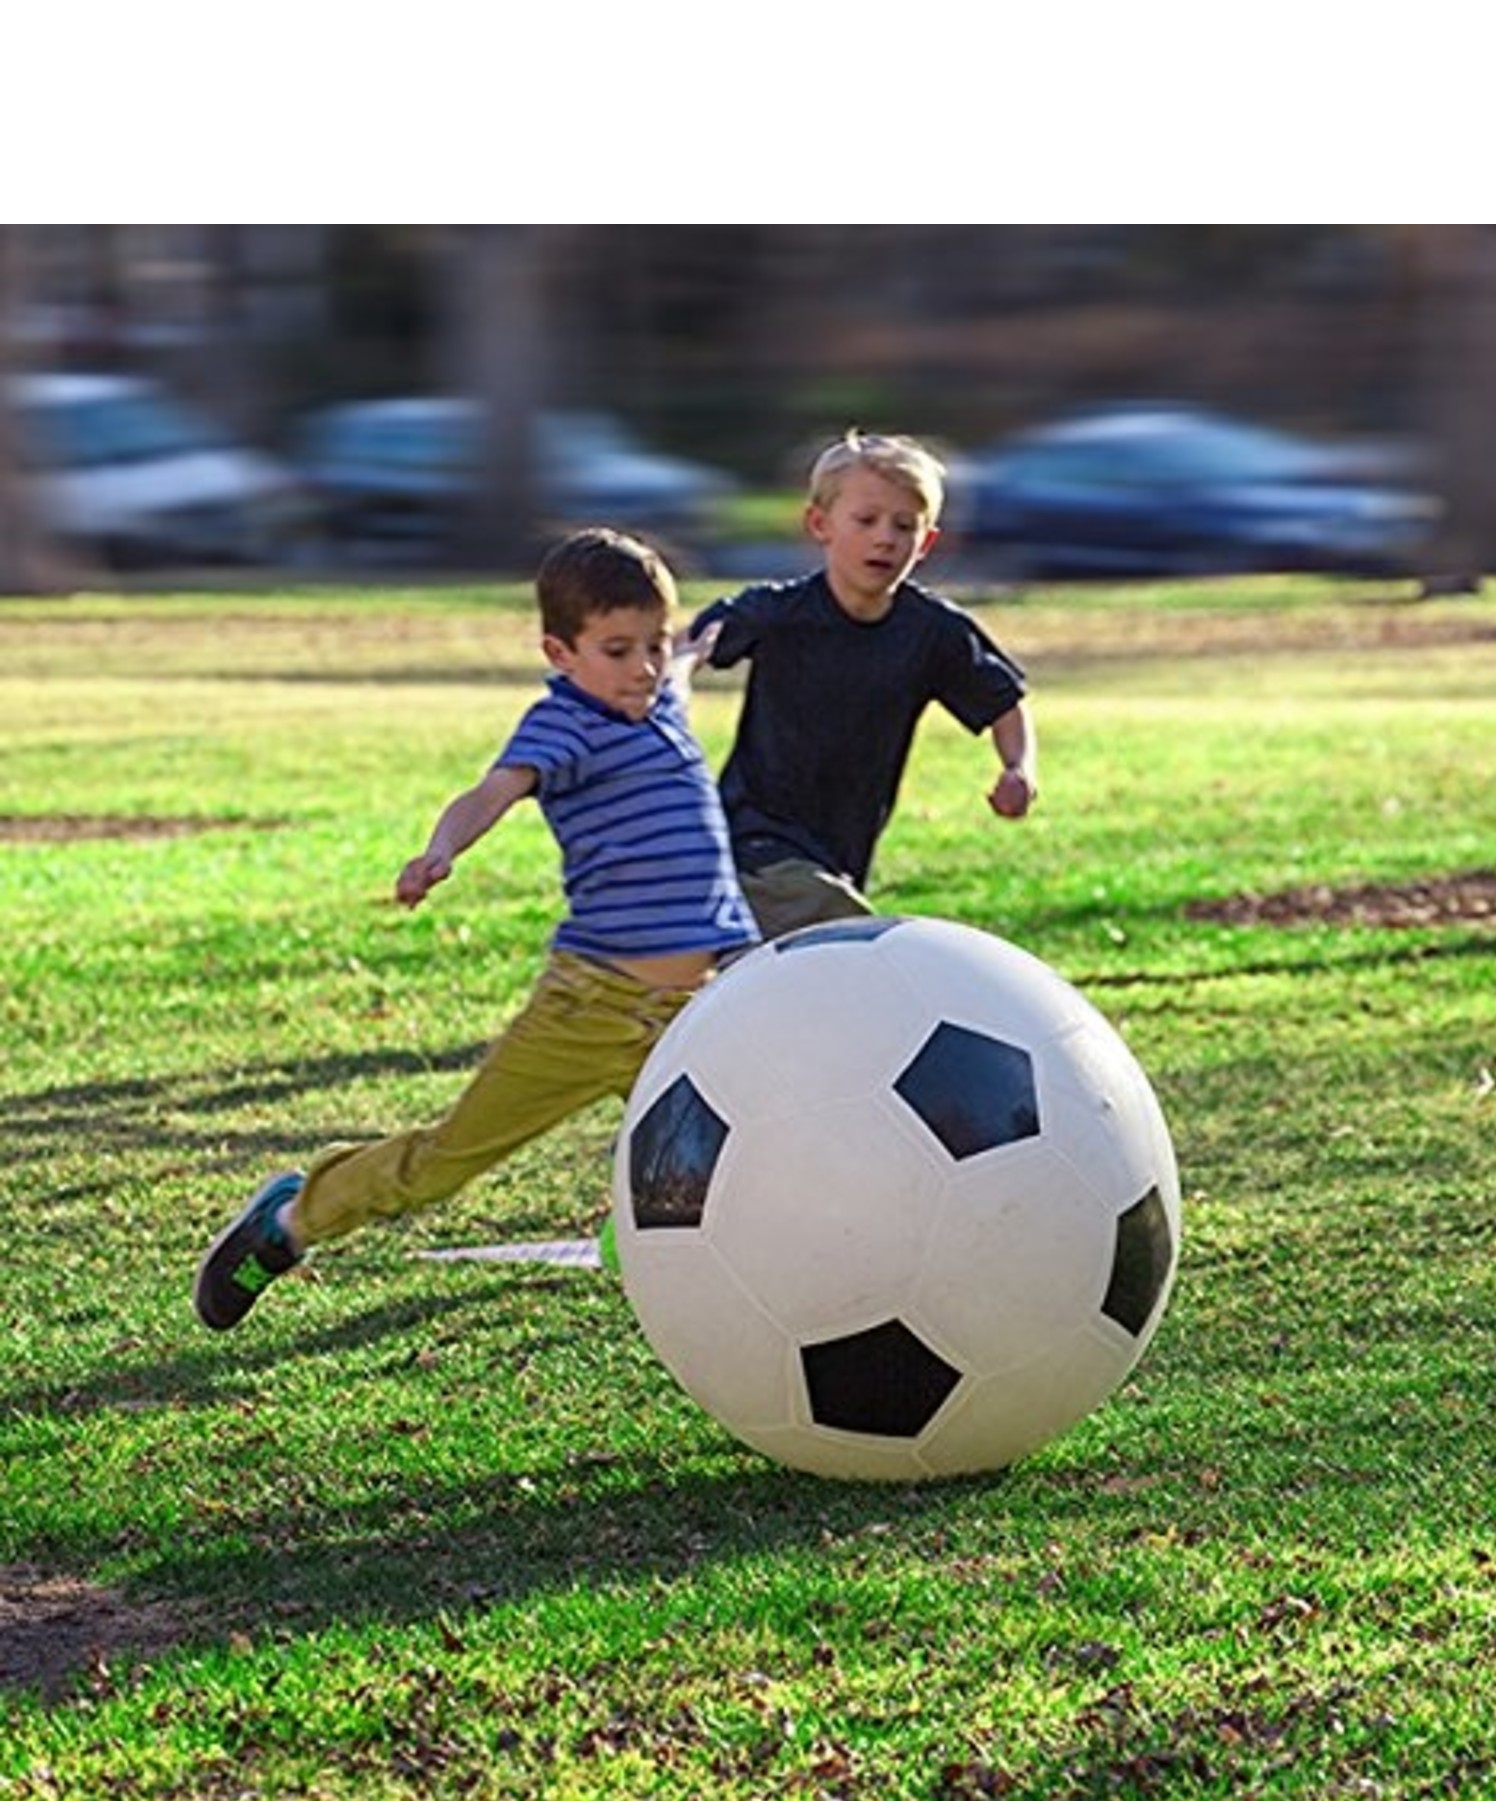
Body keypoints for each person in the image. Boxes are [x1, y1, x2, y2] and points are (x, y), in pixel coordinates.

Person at [194, 528, 759, 1332]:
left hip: (687, 1012)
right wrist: (440, 849)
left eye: (652, 642)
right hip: (588, 1009)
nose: (639, 665)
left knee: (746, 1154)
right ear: (559, 653)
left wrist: (695, 648)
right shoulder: (562, 726)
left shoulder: (657, 696)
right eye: (615, 649)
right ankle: (290, 1222)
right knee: (441, 1166)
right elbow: (490, 793)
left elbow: (677, 668)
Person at [690, 429, 1038, 939]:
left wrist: (1018, 769)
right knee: (845, 940)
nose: (885, 538)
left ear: (927, 543)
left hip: (840, 853)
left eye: (904, 526)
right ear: (819, 524)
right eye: (866, 520)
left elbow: (1004, 701)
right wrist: (657, 688)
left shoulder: (932, 632)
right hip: (754, 841)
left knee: (780, 969)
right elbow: (688, 646)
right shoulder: (777, 612)